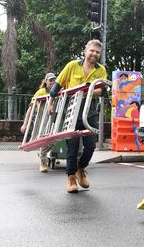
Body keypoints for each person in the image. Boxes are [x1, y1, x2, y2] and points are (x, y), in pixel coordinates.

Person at [49, 39, 107, 193]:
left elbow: (101, 91)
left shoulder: (101, 70)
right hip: (71, 112)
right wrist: (50, 103)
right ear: (85, 51)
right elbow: (56, 88)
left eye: (97, 52)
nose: (94, 54)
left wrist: (85, 91)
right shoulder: (72, 66)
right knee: (72, 147)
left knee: (90, 146)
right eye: (92, 50)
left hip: (90, 112)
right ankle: (70, 178)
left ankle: (80, 169)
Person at [20, 72, 57, 173]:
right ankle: (43, 162)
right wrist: (25, 123)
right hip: (39, 118)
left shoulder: (57, 91)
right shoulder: (40, 92)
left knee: (54, 140)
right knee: (41, 139)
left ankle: (42, 154)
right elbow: (30, 108)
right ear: (45, 81)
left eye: (54, 80)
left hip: (52, 119)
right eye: (50, 80)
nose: (52, 82)